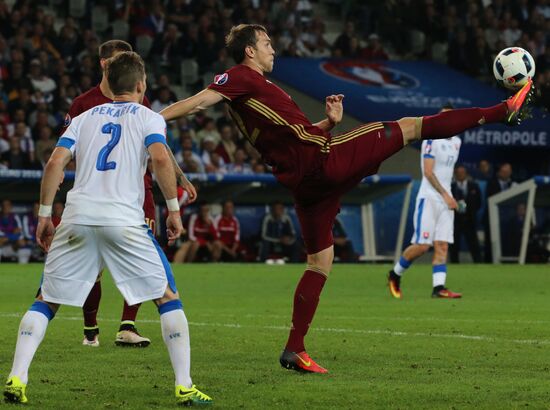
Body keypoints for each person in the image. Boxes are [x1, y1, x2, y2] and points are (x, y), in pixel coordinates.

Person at [160, 24, 534, 373]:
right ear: (249, 51)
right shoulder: (240, 76)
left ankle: (295, 348)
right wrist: (150, 121)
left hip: (306, 182)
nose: (273, 49)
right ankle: (502, 110)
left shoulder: (255, 91)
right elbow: (196, 102)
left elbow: (291, 137)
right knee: (410, 127)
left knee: (320, 260)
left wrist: (329, 122)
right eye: (267, 44)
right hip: (323, 160)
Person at [3, 51, 211, 406]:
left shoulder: (83, 118)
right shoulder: (148, 117)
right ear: (141, 84)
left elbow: (55, 161)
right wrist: (173, 208)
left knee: (46, 300)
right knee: (166, 297)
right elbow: (160, 158)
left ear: (110, 84)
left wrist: (42, 215)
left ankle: (16, 377)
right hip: (124, 220)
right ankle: (184, 384)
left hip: (77, 217)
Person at [64, 39, 197, 348]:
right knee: (92, 266)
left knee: (139, 258)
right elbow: (64, 150)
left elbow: (155, 144)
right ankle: (90, 328)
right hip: (96, 192)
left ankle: (128, 325)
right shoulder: (84, 103)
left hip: (139, 192)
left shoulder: (141, 100)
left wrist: (179, 175)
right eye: (121, 60)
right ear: (104, 65)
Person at [388, 105, 463, 299]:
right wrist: (446, 195)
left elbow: (446, 172)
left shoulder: (456, 142)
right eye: (442, 117)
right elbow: (428, 172)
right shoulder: (430, 140)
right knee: (422, 246)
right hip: (429, 198)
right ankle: (395, 274)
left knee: (442, 245)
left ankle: (439, 288)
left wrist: (450, 195)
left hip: (446, 201)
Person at [484, 162, 515, 262]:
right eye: (503, 171)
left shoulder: (514, 184)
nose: (505, 173)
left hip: (508, 220)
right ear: (499, 172)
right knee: (490, 244)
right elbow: (491, 198)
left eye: (508, 171)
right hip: (492, 219)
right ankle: (489, 263)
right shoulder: (491, 183)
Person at [450, 165, 482, 263]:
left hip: (470, 220)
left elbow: (479, 202)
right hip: (456, 221)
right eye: (458, 173)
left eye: (462, 173)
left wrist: (470, 211)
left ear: (466, 174)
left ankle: (478, 263)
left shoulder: (474, 186)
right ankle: (454, 264)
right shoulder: (451, 187)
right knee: (454, 245)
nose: (460, 175)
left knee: (474, 244)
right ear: (455, 174)